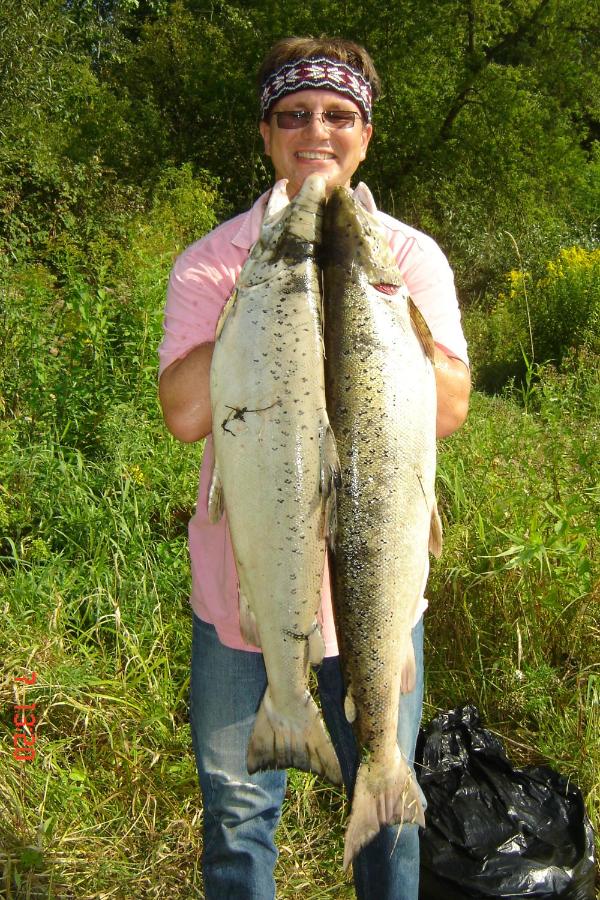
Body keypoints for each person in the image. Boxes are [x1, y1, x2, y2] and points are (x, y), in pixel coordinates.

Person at [158, 36, 470, 900]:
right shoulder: (217, 262)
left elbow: (448, 408)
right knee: (236, 823)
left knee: (389, 838)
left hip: (375, 601)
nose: (316, 132)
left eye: (338, 115)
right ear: (265, 133)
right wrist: (261, 288)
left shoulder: (407, 259)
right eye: (293, 115)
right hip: (243, 599)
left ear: (366, 133)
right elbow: (186, 414)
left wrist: (380, 300)